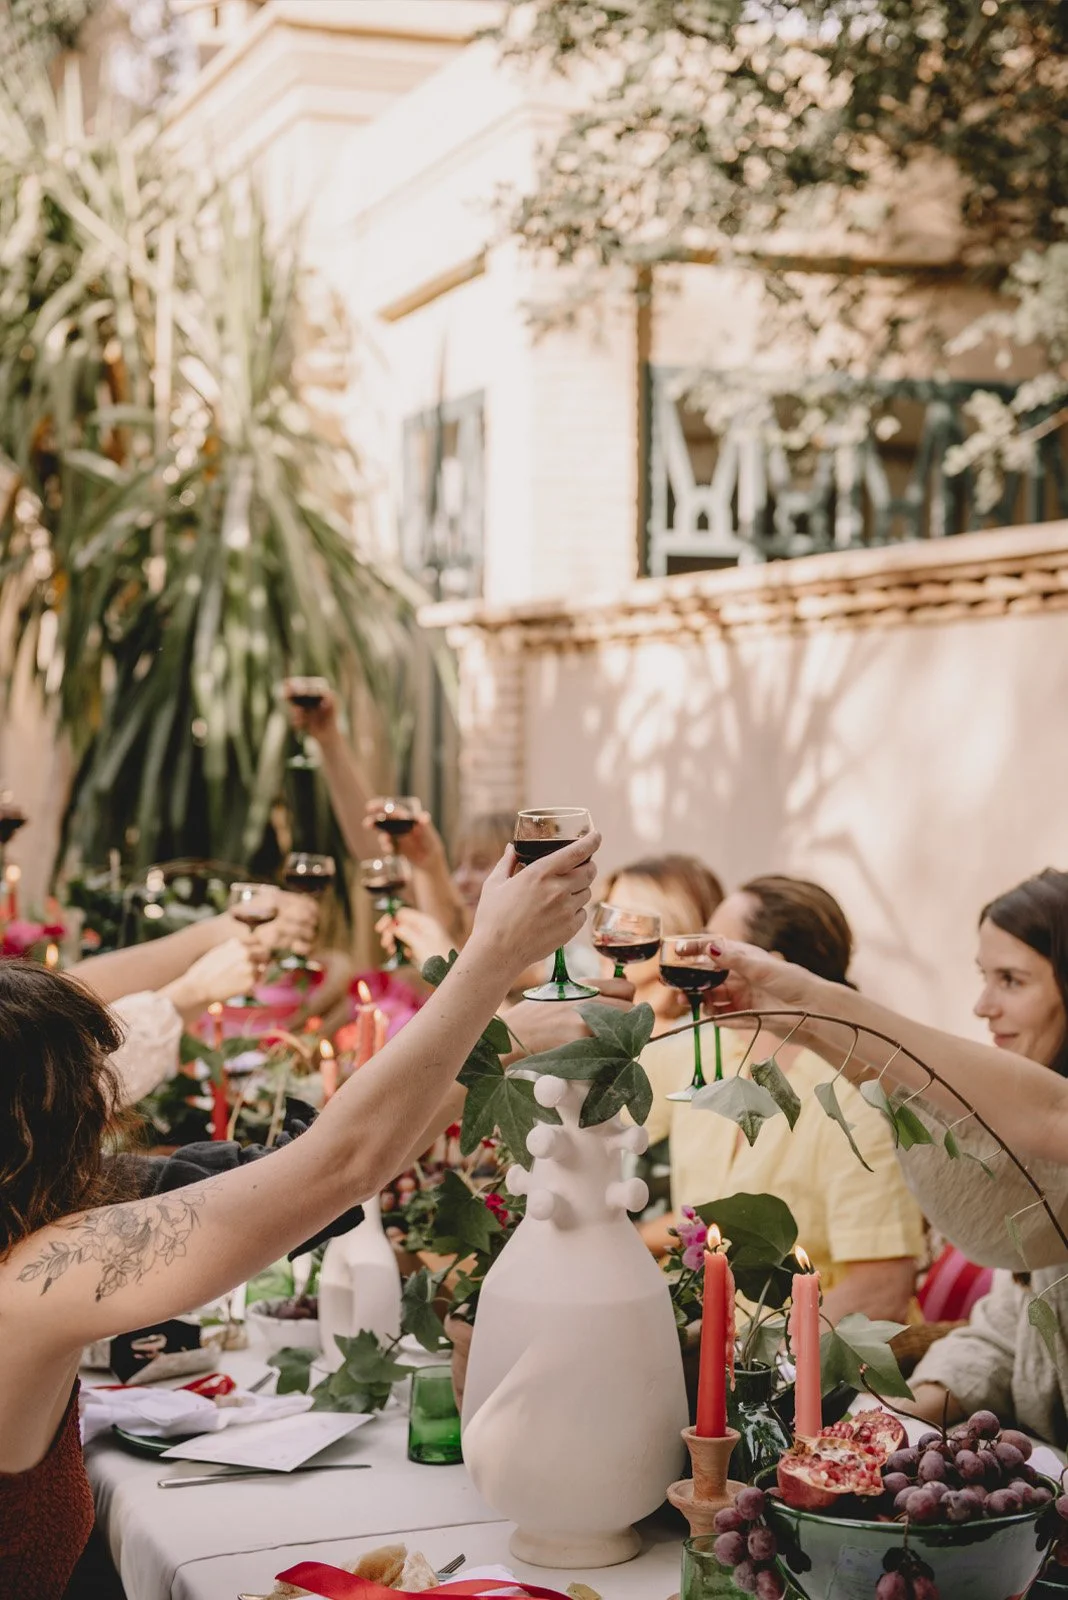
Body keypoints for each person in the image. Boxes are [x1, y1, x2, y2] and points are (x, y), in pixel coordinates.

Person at [0, 830, 599, 1599]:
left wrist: (507, 1038)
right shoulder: (34, 1283)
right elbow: (335, 1168)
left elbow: (303, 1173)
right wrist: (492, 955)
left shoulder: (44, 1228)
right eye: (96, 1099)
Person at [641, 876, 924, 1325]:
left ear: (769, 967)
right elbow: (603, 1115)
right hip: (698, 1345)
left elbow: (881, 1289)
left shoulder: (854, 1099)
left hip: (807, 1370)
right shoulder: (706, 1052)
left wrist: (758, 1364)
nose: (696, 960)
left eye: (715, 950)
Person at [899, 869, 1068, 1442]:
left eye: (1011, 980)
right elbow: (1009, 1330)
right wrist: (907, 1414)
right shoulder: (1028, 1136)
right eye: (983, 977)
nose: (981, 1005)